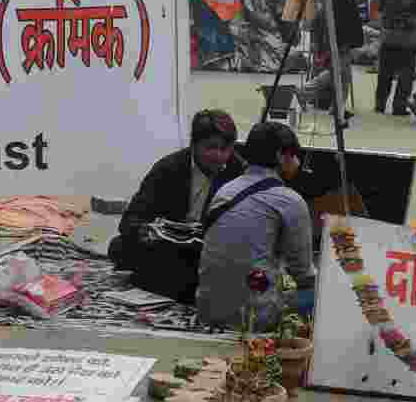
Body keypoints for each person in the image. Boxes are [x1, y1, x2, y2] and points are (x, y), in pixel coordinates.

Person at [109, 109, 246, 302]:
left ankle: (159, 283)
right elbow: (130, 221)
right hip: (169, 249)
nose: (218, 156)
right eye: (211, 147)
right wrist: (148, 231)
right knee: (119, 247)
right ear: (194, 145)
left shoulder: (238, 172)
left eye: (224, 149)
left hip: (211, 253)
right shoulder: (169, 168)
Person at [197, 122, 316, 330]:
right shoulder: (290, 201)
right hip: (255, 319)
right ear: (281, 156)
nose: (297, 162)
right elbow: (303, 274)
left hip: (207, 310)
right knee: (317, 294)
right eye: (294, 155)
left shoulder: (225, 191)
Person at [304, 0, 364, 122]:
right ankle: (305, 92)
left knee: (341, 73)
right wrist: (343, 40)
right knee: (337, 73)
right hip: (339, 38)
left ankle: (337, 108)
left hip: (336, 37)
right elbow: (340, 17)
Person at [376, 0, 416, 116]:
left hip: (388, 33)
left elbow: (380, 5)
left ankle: (380, 104)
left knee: (385, 71)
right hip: (410, 35)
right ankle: (399, 107)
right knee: (406, 73)